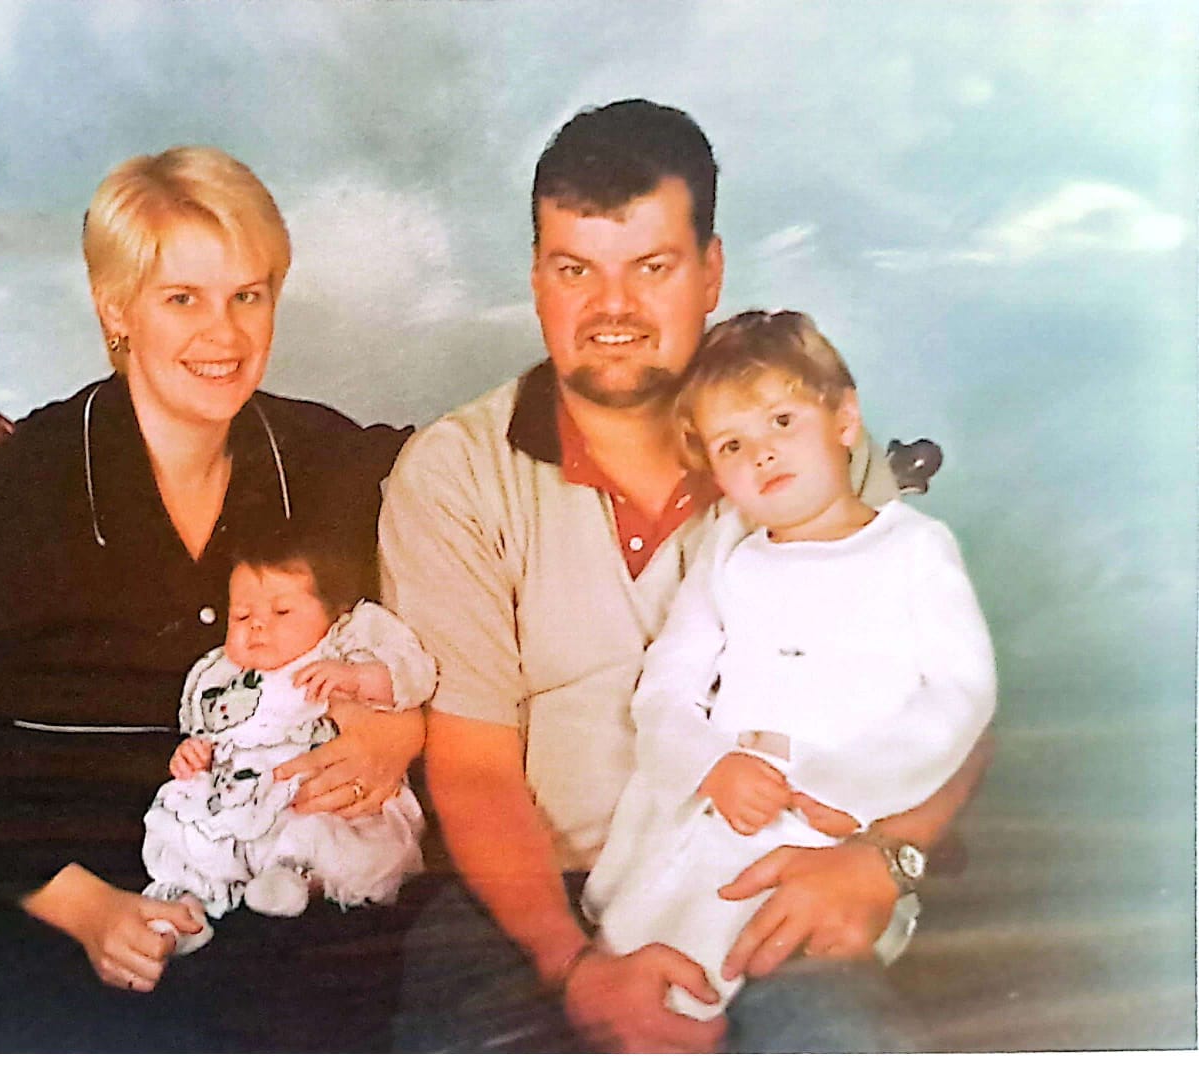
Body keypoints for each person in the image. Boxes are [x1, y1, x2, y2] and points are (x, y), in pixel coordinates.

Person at [379, 99, 994, 1053]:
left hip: (775, 876)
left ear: (711, 272)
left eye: (652, 267)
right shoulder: (455, 473)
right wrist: (574, 967)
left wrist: (884, 859)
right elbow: (472, 767)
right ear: (537, 278)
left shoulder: (799, 444)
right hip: (537, 900)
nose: (612, 309)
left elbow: (954, 702)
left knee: (841, 1053)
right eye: (575, 269)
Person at [0, 146, 422, 1053]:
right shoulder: (20, 492)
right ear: (116, 309)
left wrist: (406, 726)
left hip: (256, 888)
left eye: (248, 295)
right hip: (34, 893)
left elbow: (467, 481)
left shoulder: (322, 460)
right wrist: (82, 906)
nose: (224, 334)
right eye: (183, 299)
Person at [583, 309, 997, 1020]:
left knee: (783, 978)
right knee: (655, 981)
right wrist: (710, 764)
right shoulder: (728, 551)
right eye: (732, 444)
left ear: (844, 420)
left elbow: (960, 695)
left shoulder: (913, 550)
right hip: (720, 808)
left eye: (782, 421)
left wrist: (845, 787)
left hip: (834, 828)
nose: (763, 454)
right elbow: (666, 687)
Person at [142, 532, 433, 930]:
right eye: (241, 616)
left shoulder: (342, 649)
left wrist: (359, 679)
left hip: (319, 796)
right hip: (240, 798)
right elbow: (210, 731)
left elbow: (413, 678)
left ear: (334, 614)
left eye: (281, 612)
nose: (258, 625)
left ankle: (299, 879)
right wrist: (194, 753)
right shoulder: (223, 675)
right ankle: (186, 906)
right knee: (182, 823)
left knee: (325, 833)